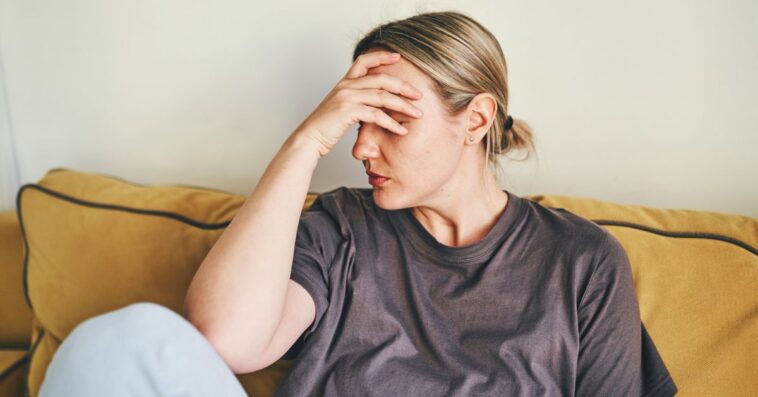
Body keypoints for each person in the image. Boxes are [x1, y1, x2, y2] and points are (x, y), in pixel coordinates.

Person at [40, 10, 678, 397]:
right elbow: (226, 340)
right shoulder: (339, 228)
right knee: (123, 339)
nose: (362, 146)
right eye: (355, 120)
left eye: (390, 116)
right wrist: (306, 140)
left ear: (476, 118)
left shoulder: (582, 262)